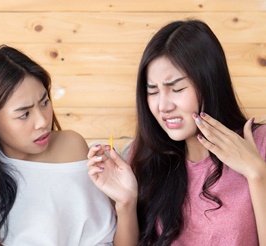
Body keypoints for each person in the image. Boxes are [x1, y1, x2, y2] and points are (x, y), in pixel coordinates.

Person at [87, 19, 266, 245]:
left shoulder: (259, 144)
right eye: (152, 91)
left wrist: (257, 173)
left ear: (210, 83)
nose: (163, 106)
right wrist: (126, 203)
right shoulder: (143, 156)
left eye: (177, 89)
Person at [0, 45, 118, 246]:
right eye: (24, 114)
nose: (42, 122)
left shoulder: (72, 149)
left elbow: (101, 238)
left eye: (44, 102)